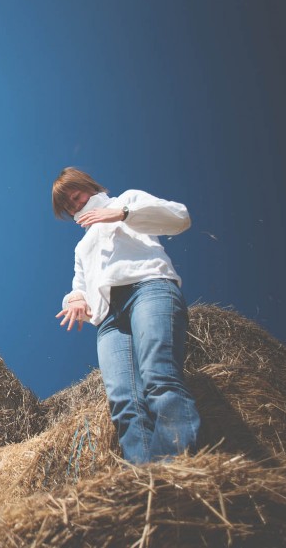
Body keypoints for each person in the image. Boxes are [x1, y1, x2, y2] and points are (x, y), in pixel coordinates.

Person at [51, 167, 200, 464]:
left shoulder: (127, 200)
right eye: (67, 206)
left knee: (159, 378)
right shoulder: (81, 247)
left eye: (75, 196)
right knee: (124, 404)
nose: (74, 206)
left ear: (88, 186)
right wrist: (76, 299)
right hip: (108, 320)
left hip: (147, 289)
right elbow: (80, 283)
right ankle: (146, 488)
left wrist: (122, 213)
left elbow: (179, 217)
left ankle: (175, 475)